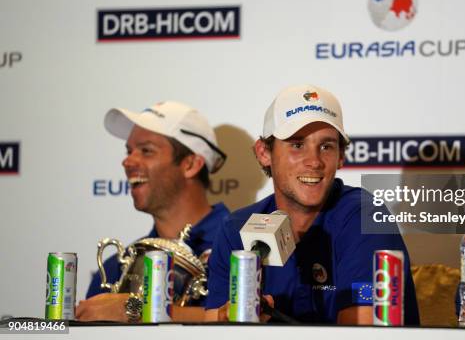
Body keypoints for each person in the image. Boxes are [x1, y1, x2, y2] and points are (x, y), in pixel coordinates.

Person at [205, 84, 420, 325]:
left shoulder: (365, 217)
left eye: (326, 146)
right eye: (297, 145)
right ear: (264, 152)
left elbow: (364, 334)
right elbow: (216, 327)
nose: (314, 162)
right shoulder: (236, 229)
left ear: (341, 156)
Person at [76, 101, 230, 322]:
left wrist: (135, 309)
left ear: (190, 164)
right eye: (129, 151)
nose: (127, 161)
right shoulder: (117, 268)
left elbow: (254, 320)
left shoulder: (242, 246)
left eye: (146, 151)